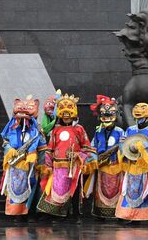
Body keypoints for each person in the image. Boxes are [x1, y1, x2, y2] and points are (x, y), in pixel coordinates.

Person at [37, 93, 97, 222]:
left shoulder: (79, 129)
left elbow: (87, 147)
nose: (66, 116)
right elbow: (50, 148)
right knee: (58, 191)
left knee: (74, 190)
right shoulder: (56, 130)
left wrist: (77, 155)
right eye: (63, 112)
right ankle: (60, 214)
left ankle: (76, 215)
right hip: (58, 166)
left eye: (69, 112)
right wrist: (48, 165)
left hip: (73, 165)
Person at [116, 103, 148, 226]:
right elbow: (122, 142)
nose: (138, 120)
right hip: (133, 166)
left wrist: (140, 147)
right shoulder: (130, 129)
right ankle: (134, 218)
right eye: (137, 118)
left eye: (140, 117)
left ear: (147, 117)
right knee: (132, 192)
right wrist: (127, 152)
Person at [0, 96, 47, 221]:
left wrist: (40, 164)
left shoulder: (36, 130)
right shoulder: (11, 128)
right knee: (14, 188)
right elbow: (5, 141)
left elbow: (42, 147)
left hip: (31, 165)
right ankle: (15, 213)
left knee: (31, 188)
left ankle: (28, 213)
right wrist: (9, 150)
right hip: (15, 165)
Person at [84, 95, 124, 219]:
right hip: (101, 167)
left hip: (116, 167)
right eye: (104, 116)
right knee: (101, 189)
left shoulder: (120, 132)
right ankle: (100, 214)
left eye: (110, 115)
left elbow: (124, 149)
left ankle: (117, 213)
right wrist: (94, 157)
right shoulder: (98, 132)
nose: (106, 118)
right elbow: (92, 146)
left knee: (116, 189)